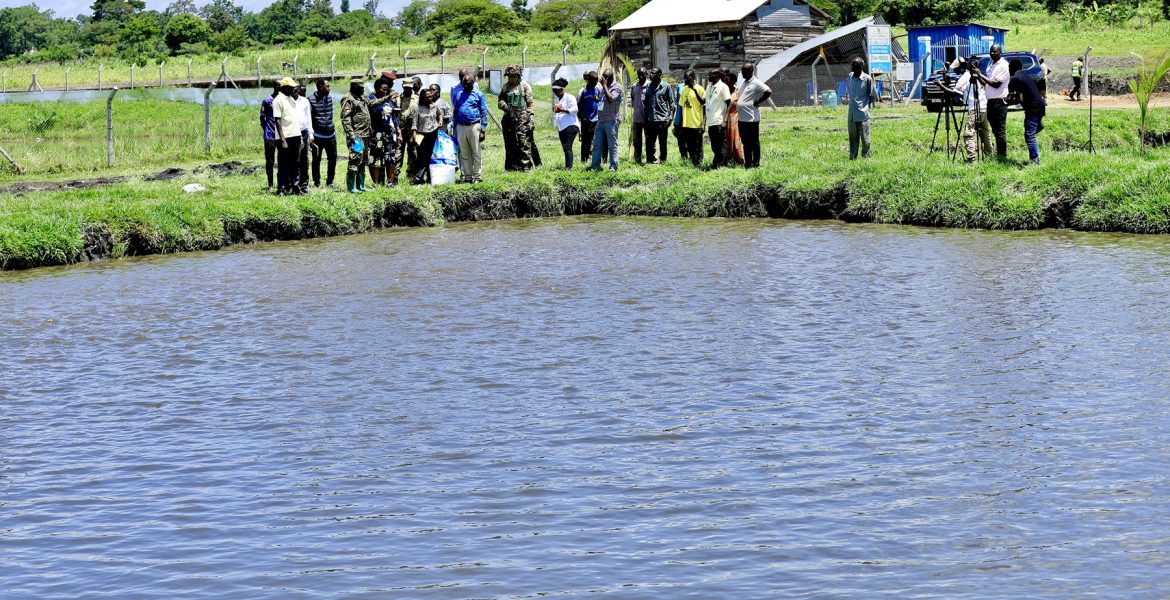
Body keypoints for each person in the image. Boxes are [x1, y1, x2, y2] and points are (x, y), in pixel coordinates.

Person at [339, 78, 394, 193]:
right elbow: (346, 118)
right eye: (360, 88)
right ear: (354, 88)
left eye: (363, 88)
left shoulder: (362, 98)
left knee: (363, 160)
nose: (362, 90)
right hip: (356, 136)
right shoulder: (348, 99)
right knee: (355, 159)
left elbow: (372, 103)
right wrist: (351, 134)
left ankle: (360, 185)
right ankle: (351, 186)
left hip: (366, 135)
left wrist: (386, 98)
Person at [943, 57, 992, 163]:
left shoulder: (965, 76)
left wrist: (940, 85)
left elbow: (954, 93)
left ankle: (971, 158)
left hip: (974, 109)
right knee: (985, 132)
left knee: (968, 134)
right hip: (985, 107)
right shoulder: (981, 75)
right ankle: (989, 154)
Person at [499, 65, 537, 172]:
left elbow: (530, 104)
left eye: (513, 76)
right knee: (510, 143)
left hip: (522, 118)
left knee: (523, 142)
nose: (511, 78)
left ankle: (525, 166)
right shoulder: (505, 87)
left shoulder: (524, 86)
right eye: (509, 76)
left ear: (518, 75)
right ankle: (512, 166)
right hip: (508, 118)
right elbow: (500, 100)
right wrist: (505, 106)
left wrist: (531, 118)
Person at [451, 73, 488, 183]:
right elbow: (455, 112)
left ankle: (476, 176)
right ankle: (467, 176)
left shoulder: (478, 94)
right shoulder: (459, 95)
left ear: (472, 83)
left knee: (476, 152)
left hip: (474, 125)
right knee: (464, 153)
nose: (466, 86)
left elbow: (484, 112)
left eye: (468, 84)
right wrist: (454, 128)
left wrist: (483, 129)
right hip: (461, 127)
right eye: (464, 84)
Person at [1009, 58, 1046, 165]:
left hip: (1032, 108)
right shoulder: (1025, 76)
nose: (1008, 69)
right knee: (1029, 133)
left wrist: (1007, 102)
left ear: (1013, 67)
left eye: (1009, 67)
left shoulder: (1016, 78)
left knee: (1029, 134)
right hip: (1040, 106)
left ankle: (1035, 161)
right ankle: (1038, 126)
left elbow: (1020, 97)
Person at [976, 44, 1011, 159]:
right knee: (995, 130)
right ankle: (999, 153)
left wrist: (980, 74)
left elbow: (996, 84)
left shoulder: (1003, 65)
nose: (992, 54)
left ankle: (1002, 155)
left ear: (1000, 52)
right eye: (991, 51)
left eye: (995, 52)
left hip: (999, 101)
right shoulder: (990, 64)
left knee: (1000, 130)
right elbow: (987, 82)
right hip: (990, 101)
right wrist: (978, 77)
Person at [736, 63, 772, 168]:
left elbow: (768, 91)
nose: (742, 73)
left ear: (750, 71)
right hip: (742, 119)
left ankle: (756, 163)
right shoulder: (745, 82)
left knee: (754, 142)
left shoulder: (756, 82)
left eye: (744, 71)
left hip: (752, 119)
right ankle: (748, 163)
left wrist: (758, 102)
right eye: (742, 71)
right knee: (745, 142)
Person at [412, 84, 449, 184]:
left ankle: (428, 178)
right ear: (423, 98)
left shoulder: (434, 106)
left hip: (432, 133)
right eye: (427, 97)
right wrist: (415, 138)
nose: (429, 98)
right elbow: (414, 125)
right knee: (421, 157)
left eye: (431, 96)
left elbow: (440, 114)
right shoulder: (417, 109)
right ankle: (419, 176)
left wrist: (440, 121)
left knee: (430, 155)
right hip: (420, 134)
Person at [271, 78, 302, 195]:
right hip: (285, 137)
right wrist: (283, 140)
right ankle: (281, 188)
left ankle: (295, 187)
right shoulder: (278, 100)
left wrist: (300, 137)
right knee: (283, 163)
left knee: (296, 163)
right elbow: (277, 120)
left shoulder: (291, 99)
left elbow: (295, 119)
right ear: (284, 88)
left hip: (295, 135)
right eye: (291, 87)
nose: (293, 89)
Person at [845, 57, 880, 160]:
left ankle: (866, 157)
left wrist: (865, 105)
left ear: (861, 67)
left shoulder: (867, 79)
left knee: (865, 140)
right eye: (852, 64)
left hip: (863, 114)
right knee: (852, 137)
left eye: (855, 65)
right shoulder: (850, 77)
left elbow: (873, 95)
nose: (852, 67)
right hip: (851, 114)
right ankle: (852, 157)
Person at [590, 68, 624, 172]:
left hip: (611, 121)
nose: (602, 80)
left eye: (604, 78)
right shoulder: (604, 88)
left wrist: (604, 86)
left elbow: (611, 99)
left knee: (612, 145)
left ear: (609, 78)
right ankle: (595, 165)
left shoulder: (617, 87)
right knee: (597, 144)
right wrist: (597, 99)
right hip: (601, 120)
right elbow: (602, 101)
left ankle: (613, 166)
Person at [368, 77, 399, 187]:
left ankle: (390, 182)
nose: (385, 91)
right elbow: (374, 107)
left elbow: (394, 116)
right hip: (377, 132)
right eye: (383, 89)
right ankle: (376, 183)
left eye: (386, 89)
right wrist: (387, 97)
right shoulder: (371, 98)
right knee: (376, 157)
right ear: (376, 88)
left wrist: (398, 130)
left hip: (389, 132)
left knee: (390, 157)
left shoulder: (389, 100)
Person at [309, 79, 337, 188]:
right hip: (317, 136)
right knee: (316, 160)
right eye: (327, 86)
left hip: (331, 135)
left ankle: (330, 181)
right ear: (321, 87)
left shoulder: (329, 98)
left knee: (333, 158)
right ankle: (317, 182)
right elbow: (309, 118)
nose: (329, 88)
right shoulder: (310, 100)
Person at [643, 67, 675, 164]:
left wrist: (670, 119)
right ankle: (650, 160)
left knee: (662, 142)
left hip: (662, 120)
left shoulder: (666, 86)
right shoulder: (648, 87)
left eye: (653, 73)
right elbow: (646, 103)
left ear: (659, 75)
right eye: (650, 73)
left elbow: (672, 104)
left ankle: (663, 160)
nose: (650, 75)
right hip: (651, 120)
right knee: (650, 142)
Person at [676, 69, 706, 166]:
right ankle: (693, 161)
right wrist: (680, 123)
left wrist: (703, 124)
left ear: (693, 77)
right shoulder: (684, 90)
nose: (685, 80)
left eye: (687, 78)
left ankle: (699, 162)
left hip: (697, 122)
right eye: (684, 78)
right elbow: (681, 107)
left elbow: (704, 106)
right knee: (690, 144)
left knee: (698, 145)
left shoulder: (700, 89)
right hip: (686, 123)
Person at [704, 69, 731, 168]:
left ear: (717, 75)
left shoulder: (723, 87)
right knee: (714, 145)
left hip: (719, 120)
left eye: (711, 75)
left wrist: (725, 119)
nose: (709, 77)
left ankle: (721, 164)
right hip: (711, 120)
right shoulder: (709, 86)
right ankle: (718, 162)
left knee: (720, 144)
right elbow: (704, 100)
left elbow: (729, 103)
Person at [397, 77, 422, 184]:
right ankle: (395, 175)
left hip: (413, 129)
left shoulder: (418, 98)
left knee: (413, 151)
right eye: (406, 87)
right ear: (403, 87)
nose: (407, 89)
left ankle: (411, 174)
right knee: (398, 151)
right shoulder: (397, 98)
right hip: (400, 129)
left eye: (409, 88)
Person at [552, 78, 580, 169]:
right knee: (565, 147)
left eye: (556, 90)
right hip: (562, 127)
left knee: (567, 146)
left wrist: (562, 110)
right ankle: (567, 166)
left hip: (571, 125)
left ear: (561, 89)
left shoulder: (569, 97)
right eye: (553, 91)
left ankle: (569, 167)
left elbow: (575, 110)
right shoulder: (559, 99)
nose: (555, 93)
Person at [293, 83, 314, 194]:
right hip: (291, 132)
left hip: (304, 131)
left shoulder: (305, 101)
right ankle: (292, 183)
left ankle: (304, 184)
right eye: (297, 89)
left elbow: (308, 118)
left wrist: (311, 134)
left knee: (304, 160)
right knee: (293, 159)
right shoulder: (287, 101)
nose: (299, 91)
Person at [578, 71, 602, 165]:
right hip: (586, 120)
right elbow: (579, 105)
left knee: (595, 140)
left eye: (596, 81)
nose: (595, 83)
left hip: (596, 120)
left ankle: (592, 158)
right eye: (593, 81)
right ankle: (583, 160)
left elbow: (602, 102)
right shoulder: (583, 91)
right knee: (585, 141)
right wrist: (581, 117)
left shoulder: (598, 90)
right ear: (588, 80)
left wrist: (598, 100)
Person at [723, 69, 746, 167]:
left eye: (728, 80)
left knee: (736, 139)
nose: (726, 82)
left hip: (735, 118)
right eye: (725, 80)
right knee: (726, 139)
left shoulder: (738, 92)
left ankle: (740, 159)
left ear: (733, 81)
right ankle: (729, 159)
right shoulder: (724, 91)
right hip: (725, 119)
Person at [260, 81, 280, 190]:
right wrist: (267, 129)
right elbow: (262, 118)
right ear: (274, 87)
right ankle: (270, 184)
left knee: (282, 160)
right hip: (270, 135)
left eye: (281, 86)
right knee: (270, 161)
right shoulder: (267, 101)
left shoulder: (284, 100)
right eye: (277, 85)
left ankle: (282, 182)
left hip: (282, 135)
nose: (279, 88)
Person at [629, 67, 649, 164]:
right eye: (639, 75)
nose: (641, 77)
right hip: (637, 118)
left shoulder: (649, 85)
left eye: (643, 74)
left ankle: (650, 160)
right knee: (636, 141)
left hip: (648, 118)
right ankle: (637, 160)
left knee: (649, 140)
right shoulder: (634, 86)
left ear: (646, 74)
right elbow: (633, 99)